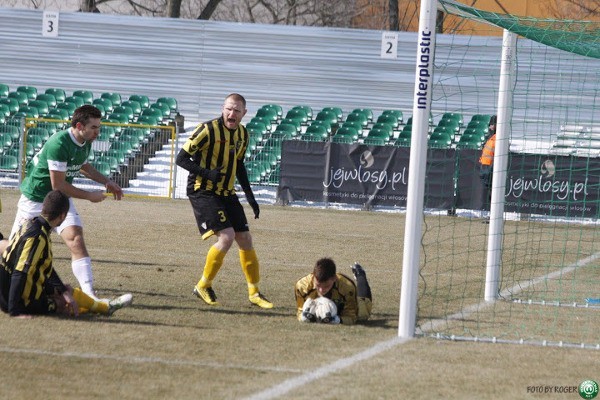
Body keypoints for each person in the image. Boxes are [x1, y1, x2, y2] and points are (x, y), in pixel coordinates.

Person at [9, 104, 124, 301]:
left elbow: (83, 165)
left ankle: (89, 294)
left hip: (60, 200)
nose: (98, 132)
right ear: (80, 126)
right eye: (94, 127)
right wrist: (89, 196)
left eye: (99, 127)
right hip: (36, 199)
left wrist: (107, 181)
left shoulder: (85, 140)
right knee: (13, 248)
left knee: (75, 238)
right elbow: (58, 184)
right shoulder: (59, 143)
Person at [175, 93, 273, 309]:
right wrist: (207, 173)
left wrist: (251, 198)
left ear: (244, 114)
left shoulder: (243, 134)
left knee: (245, 238)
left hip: (227, 192)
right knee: (227, 236)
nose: (232, 113)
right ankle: (203, 285)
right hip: (203, 190)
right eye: (229, 109)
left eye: (237, 111)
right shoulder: (207, 130)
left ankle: (254, 293)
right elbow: (180, 158)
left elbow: (239, 166)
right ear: (222, 108)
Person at [0, 190, 132, 318]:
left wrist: (62, 290)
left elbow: (46, 269)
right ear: (62, 216)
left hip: (9, 291)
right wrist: (14, 311)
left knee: (66, 290)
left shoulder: (30, 224)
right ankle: (104, 308)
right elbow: (19, 273)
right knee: (62, 303)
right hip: (19, 300)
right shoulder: (37, 237)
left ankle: (104, 306)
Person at [295, 258, 372, 325]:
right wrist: (304, 316)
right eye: (318, 285)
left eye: (326, 286)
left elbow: (351, 317)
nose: (321, 290)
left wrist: (337, 320)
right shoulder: (302, 287)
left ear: (334, 278)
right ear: (313, 276)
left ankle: (360, 274)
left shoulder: (347, 287)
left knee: (363, 315)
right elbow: (300, 311)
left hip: (343, 309)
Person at [478, 115, 497, 217]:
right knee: (489, 192)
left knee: (492, 193)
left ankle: (493, 214)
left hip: (491, 168)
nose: (490, 127)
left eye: (492, 125)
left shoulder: (498, 138)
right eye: (490, 125)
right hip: (486, 168)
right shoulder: (490, 138)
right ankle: (490, 213)